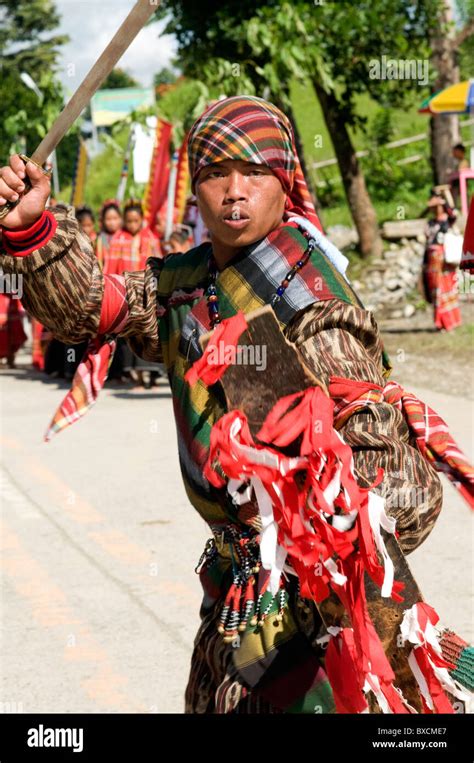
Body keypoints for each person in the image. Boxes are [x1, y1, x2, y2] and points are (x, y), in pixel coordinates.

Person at [0, 96, 472, 714]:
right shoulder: (186, 283)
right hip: (232, 590)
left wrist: (313, 535)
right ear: (196, 191)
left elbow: (399, 492)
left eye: (253, 173)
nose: (234, 191)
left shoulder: (313, 303)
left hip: (308, 608)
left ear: (285, 183)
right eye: (215, 174)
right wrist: (34, 226)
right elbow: (91, 306)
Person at [422, 192, 462, 331]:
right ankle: (440, 323)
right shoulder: (430, 223)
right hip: (432, 263)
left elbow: (453, 213)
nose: (435, 209)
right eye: (434, 207)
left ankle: (449, 322)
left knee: (446, 289)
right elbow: (427, 245)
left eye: (437, 206)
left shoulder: (447, 221)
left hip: (445, 261)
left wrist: (444, 198)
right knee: (436, 291)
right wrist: (424, 263)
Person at [95, 199, 122, 270]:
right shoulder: (102, 237)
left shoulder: (124, 236)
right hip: (106, 276)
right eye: (108, 219)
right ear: (103, 220)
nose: (112, 222)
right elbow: (100, 258)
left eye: (115, 218)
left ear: (120, 218)